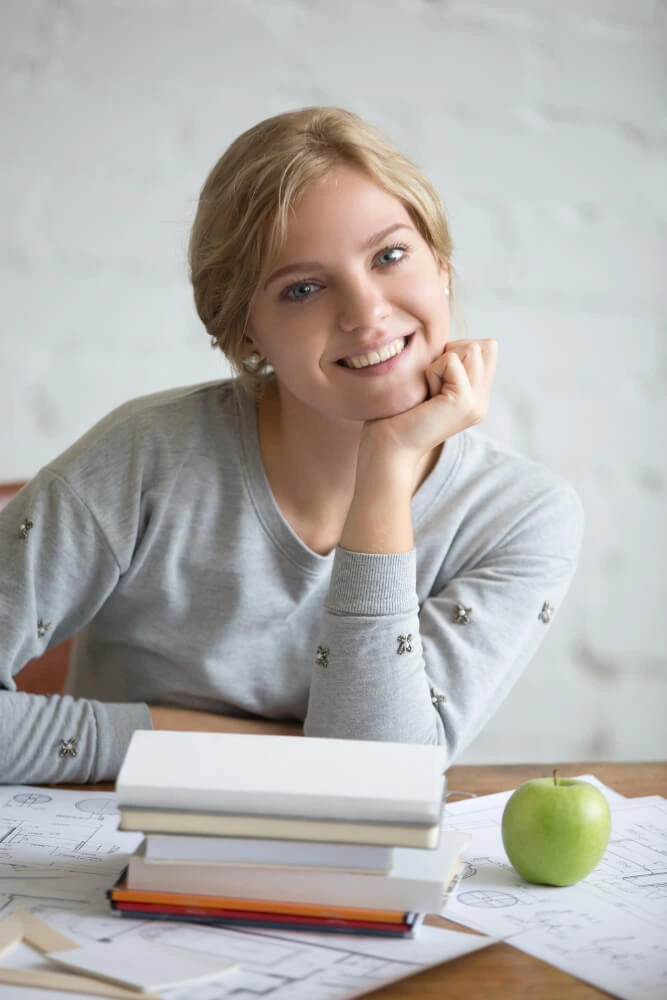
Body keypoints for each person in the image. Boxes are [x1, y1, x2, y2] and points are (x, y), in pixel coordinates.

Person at [0, 107, 583, 785]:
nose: (366, 313)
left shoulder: (521, 516)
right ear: (245, 334)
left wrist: (386, 468)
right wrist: (217, 743)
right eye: (302, 289)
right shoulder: (142, 458)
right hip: (107, 858)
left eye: (389, 255)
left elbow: (371, 779)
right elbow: (352, 773)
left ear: (442, 267)